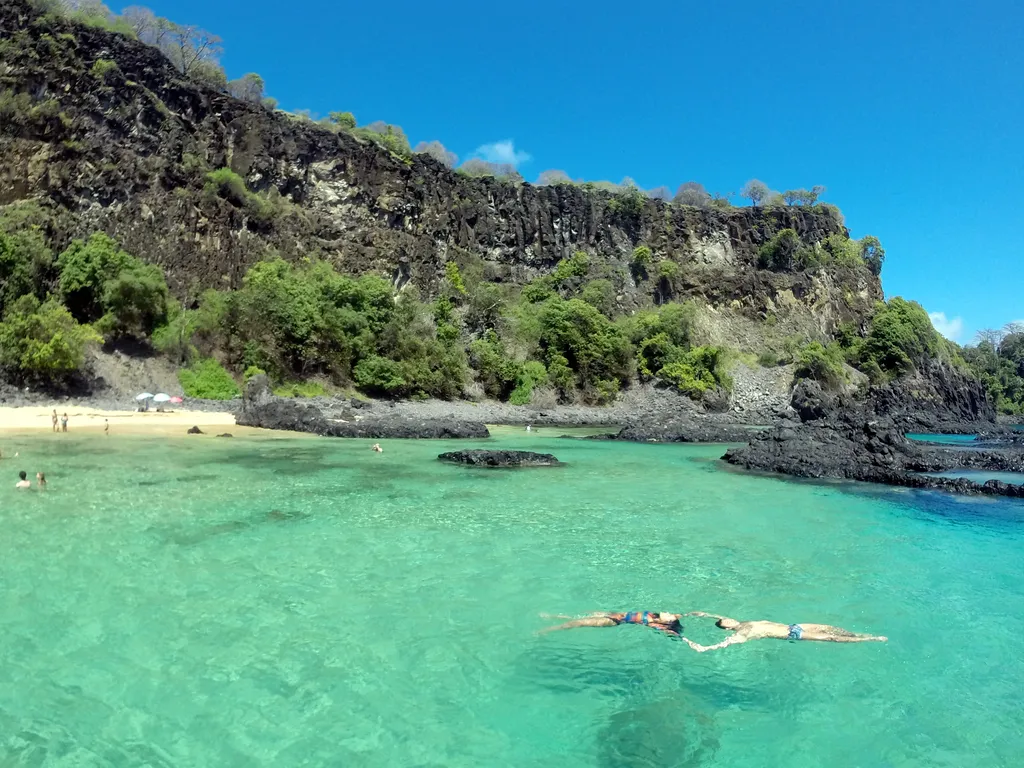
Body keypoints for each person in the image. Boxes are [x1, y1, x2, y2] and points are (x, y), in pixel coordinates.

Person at [679, 612, 887, 651]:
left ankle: (855, 634)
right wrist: (703, 647)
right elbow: (724, 644)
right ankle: (869, 639)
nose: (731, 619)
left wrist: (700, 614)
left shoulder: (743, 622)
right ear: (727, 627)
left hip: (794, 625)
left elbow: (716, 615)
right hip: (793, 634)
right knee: (831, 638)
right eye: (727, 621)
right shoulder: (741, 633)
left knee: (828, 627)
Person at [540, 611, 683, 637]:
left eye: (669, 615)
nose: (668, 612)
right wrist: (695, 613)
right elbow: (684, 614)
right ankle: (554, 616)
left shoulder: (654, 623)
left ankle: (547, 630)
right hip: (613, 613)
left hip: (613, 621)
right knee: (579, 616)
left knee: (578, 623)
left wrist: (687, 641)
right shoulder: (659, 615)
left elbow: (670, 632)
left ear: (666, 622)